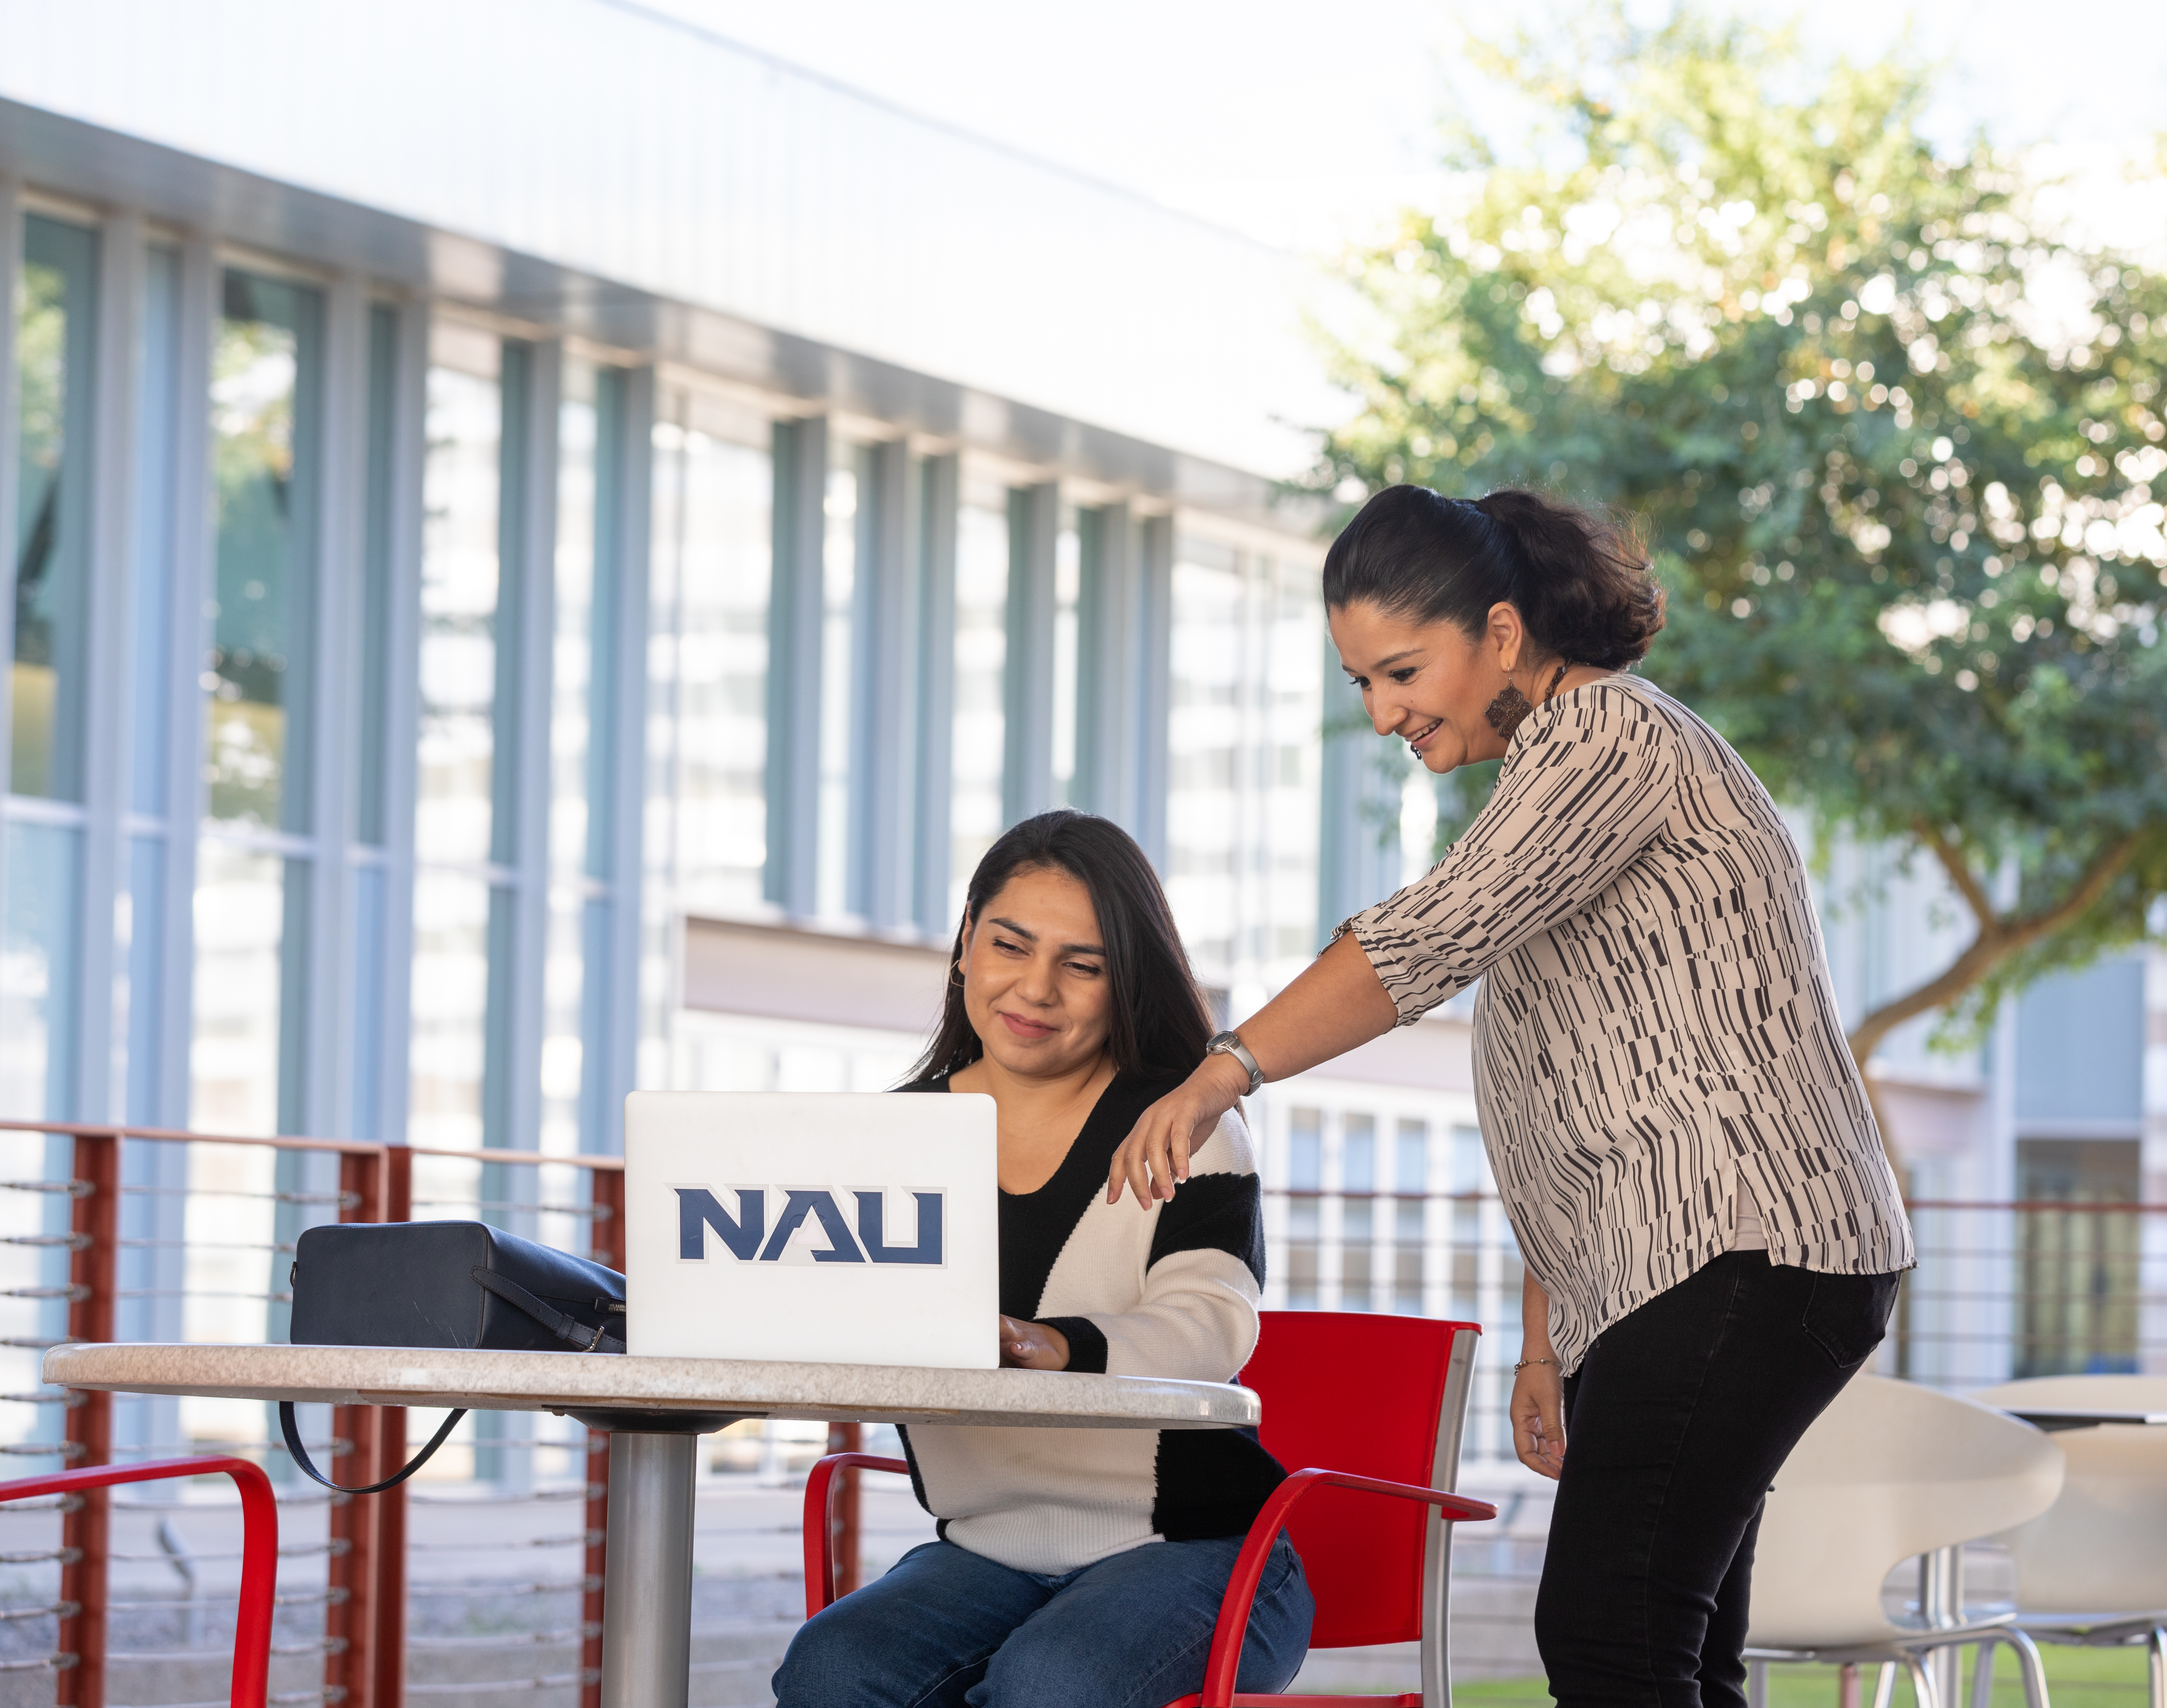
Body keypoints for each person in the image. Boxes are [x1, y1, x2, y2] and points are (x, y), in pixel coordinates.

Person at [1108, 486, 1915, 1708]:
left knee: (1607, 1635)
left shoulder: (1607, 740)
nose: (1383, 713)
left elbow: (1426, 937)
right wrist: (1548, 1338)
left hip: (1753, 1246)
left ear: (1499, 630)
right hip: (1677, 1268)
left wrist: (1228, 1067)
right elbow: (1567, 1102)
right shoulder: (1546, 788)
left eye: (1402, 671)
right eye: (1360, 686)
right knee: (1673, 1654)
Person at [773, 810, 1314, 1708]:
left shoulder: (1183, 1125)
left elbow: (1212, 1324)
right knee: (831, 1671)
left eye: (1083, 964)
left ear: (1124, 983)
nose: (1036, 988)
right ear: (964, 946)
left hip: (1200, 1550)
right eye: (1010, 945)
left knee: (1054, 1682)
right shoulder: (884, 1138)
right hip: (984, 1550)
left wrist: (1043, 1343)